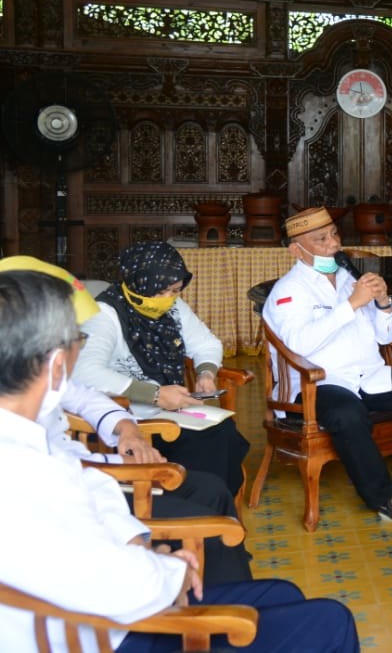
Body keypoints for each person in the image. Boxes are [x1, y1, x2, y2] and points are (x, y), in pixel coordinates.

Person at [0, 269, 360, 653]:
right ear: (56, 365)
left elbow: (86, 507)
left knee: (281, 590)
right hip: (109, 634)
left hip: (104, 602)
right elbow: (122, 585)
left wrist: (141, 544)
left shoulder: (27, 449)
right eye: (78, 341)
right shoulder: (26, 472)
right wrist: (175, 572)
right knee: (331, 620)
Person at [0, 254, 253, 584]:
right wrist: (145, 552)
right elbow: (72, 501)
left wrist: (125, 428)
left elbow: (85, 397)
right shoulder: (19, 438)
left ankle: (229, 573)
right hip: (100, 479)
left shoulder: (38, 375)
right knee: (204, 501)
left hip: (100, 466)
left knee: (217, 472)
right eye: (73, 338)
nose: (76, 348)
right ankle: (219, 607)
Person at [262, 206, 392, 527]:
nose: (333, 244)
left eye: (334, 234)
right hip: (319, 385)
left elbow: (386, 334)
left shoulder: (348, 278)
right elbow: (299, 345)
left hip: (368, 376)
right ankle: (383, 498)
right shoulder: (289, 292)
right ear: (297, 249)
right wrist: (350, 304)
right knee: (347, 413)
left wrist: (382, 303)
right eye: (321, 239)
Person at [74, 241, 250, 496]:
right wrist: (155, 394)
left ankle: (206, 506)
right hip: (129, 418)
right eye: (163, 291)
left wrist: (206, 373)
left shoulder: (173, 307)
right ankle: (193, 506)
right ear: (140, 283)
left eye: (176, 290)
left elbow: (206, 342)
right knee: (212, 442)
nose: (170, 298)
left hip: (172, 410)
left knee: (222, 433)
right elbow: (86, 372)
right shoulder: (105, 315)